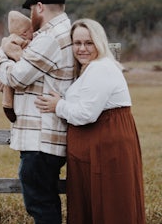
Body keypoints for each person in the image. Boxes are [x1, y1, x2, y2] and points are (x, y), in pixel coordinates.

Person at [35, 18, 146, 224]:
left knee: (111, 204)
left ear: (99, 43)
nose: (82, 49)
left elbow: (87, 114)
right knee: (95, 203)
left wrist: (57, 105)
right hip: (95, 146)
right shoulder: (87, 69)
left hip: (107, 145)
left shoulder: (100, 68)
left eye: (89, 43)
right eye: (77, 43)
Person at [0, 0, 74, 224]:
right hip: (45, 137)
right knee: (43, 201)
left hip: (41, 139)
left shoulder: (51, 38)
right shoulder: (63, 33)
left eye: (31, 11)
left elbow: (17, 76)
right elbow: (27, 75)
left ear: (39, 7)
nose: (30, 18)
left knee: (40, 205)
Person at [1, 10, 33, 122]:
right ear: (24, 33)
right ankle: (7, 105)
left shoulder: (22, 40)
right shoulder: (13, 41)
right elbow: (17, 54)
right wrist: (23, 60)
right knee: (8, 87)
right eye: (31, 31)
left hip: (10, 69)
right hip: (12, 68)